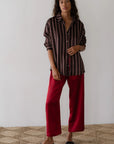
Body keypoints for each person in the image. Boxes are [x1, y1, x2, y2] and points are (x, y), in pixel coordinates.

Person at [42, 0, 87, 144]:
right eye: (61, 1)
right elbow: (48, 46)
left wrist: (77, 48)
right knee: (50, 101)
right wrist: (53, 68)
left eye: (67, 1)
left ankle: (70, 135)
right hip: (58, 69)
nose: (64, 4)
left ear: (71, 4)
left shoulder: (78, 24)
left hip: (76, 68)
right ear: (58, 4)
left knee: (76, 103)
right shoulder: (51, 23)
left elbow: (84, 44)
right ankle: (50, 137)